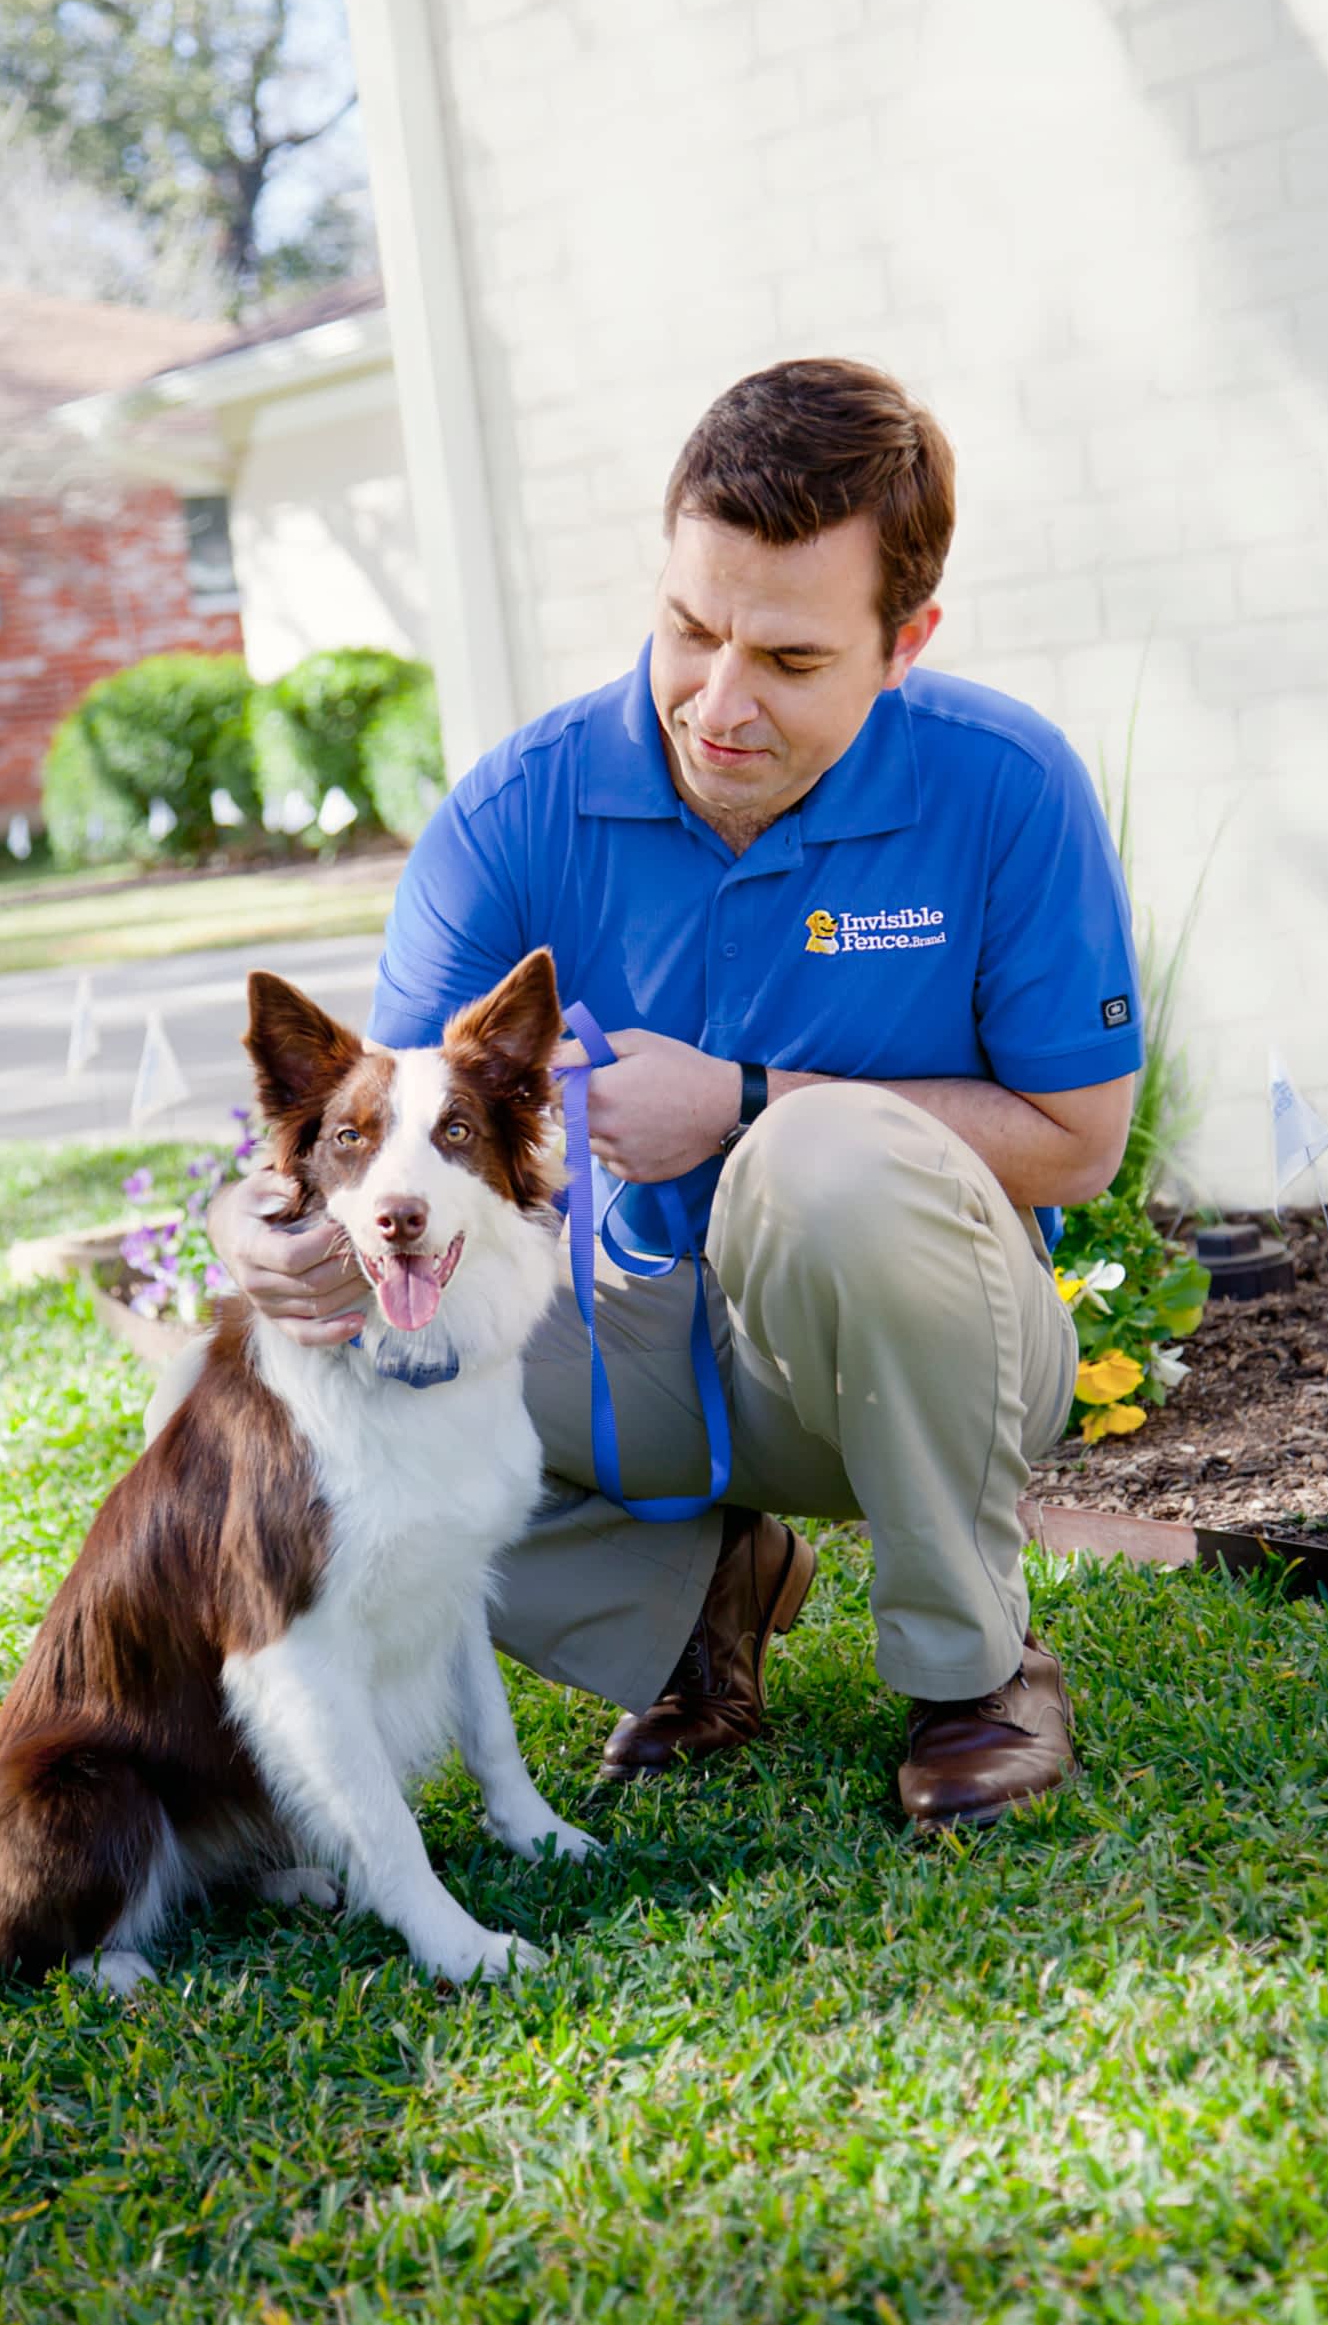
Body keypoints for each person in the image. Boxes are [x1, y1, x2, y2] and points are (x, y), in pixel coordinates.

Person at [202, 357, 1143, 1829]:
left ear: (906, 644)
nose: (718, 704)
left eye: (790, 660)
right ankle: (705, 1596)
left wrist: (750, 1100)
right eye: (689, 630)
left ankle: (978, 1669)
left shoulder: (1008, 785)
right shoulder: (517, 809)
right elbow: (371, 1132)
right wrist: (254, 1229)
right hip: (630, 1351)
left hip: (932, 1342)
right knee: (340, 1372)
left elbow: (1083, 1144)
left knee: (822, 1155)